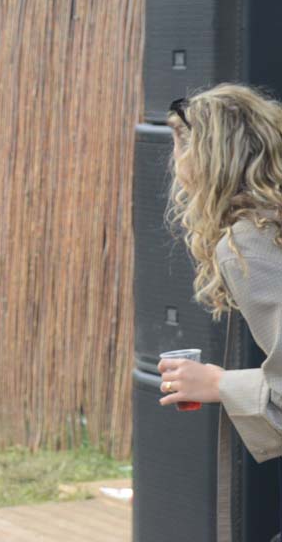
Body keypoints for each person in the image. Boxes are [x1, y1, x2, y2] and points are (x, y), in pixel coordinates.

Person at [159, 83, 282, 534]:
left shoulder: (249, 243)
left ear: (206, 156)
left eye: (179, 144)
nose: (175, 162)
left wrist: (219, 383)